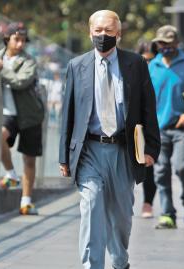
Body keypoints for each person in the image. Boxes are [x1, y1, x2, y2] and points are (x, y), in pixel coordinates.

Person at [59, 10, 160, 269]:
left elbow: (148, 107)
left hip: (123, 151)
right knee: (91, 205)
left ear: (119, 33)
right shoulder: (77, 65)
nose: (103, 35)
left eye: (109, 30)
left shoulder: (135, 64)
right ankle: (92, 265)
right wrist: (64, 156)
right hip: (89, 150)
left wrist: (151, 148)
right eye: (98, 30)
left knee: (121, 217)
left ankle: (119, 262)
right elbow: (67, 113)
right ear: (90, 32)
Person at [148, 25, 184, 229]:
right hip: (159, 129)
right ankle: (167, 213)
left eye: (168, 43)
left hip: (182, 127)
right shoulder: (152, 66)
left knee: (181, 167)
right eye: (161, 43)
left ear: (176, 44)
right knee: (161, 171)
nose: (164, 47)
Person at [0, 22, 44, 215]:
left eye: (23, 40)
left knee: (29, 159)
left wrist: (0, 68)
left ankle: (26, 201)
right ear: (7, 39)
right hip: (6, 113)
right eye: (16, 39)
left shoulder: (29, 61)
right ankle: (10, 173)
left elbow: (20, 81)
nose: (20, 44)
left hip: (30, 116)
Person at [136, 41, 157, 218]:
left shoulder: (160, 73)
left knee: (162, 166)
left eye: (151, 59)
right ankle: (147, 202)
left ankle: (151, 201)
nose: (148, 64)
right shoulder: (135, 74)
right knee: (147, 166)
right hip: (142, 128)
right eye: (145, 59)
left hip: (163, 125)